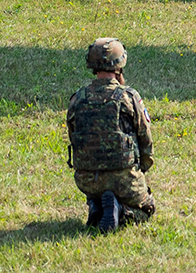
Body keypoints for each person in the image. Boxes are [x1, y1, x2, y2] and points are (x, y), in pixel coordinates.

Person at [66, 37, 156, 231]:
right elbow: (145, 138)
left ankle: (95, 204)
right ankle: (121, 211)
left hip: (87, 180)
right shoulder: (129, 97)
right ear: (120, 64)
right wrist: (142, 168)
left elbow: (74, 138)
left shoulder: (77, 99)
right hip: (123, 178)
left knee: (99, 190)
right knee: (147, 209)